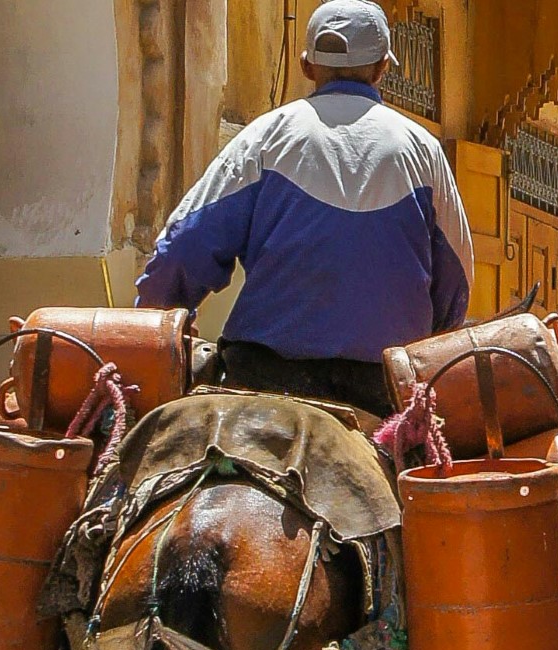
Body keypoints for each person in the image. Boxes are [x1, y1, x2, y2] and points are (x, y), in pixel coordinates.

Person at [134, 0, 471, 418]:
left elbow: (185, 247)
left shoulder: (264, 137)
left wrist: (154, 322)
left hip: (261, 377)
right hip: (383, 390)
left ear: (307, 66)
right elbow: (455, 286)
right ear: (383, 67)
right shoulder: (423, 151)